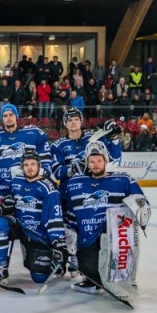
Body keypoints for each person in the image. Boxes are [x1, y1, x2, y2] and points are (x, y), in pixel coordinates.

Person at [64, 141, 150, 295]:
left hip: (115, 240)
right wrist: (70, 234)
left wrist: (142, 209)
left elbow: (141, 202)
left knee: (113, 232)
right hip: (87, 240)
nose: (95, 165)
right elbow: (71, 214)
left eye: (99, 160)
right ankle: (94, 278)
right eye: (91, 161)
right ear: (86, 162)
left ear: (106, 161)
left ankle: (123, 277)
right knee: (90, 273)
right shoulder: (75, 183)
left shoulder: (123, 180)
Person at [51, 108, 123, 275]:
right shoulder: (58, 145)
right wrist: (70, 169)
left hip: (91, 192)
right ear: (65, 123)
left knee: (86, 228)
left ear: (81, 121)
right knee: (67, 230)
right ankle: (65, 259)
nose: (73, 122)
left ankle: (82, 260)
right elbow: (55, 171)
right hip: (68, 194)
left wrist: (114, 138)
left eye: (76, 119)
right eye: (70, 120)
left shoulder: (93, 139)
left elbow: (114, 156)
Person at [0, 150, 66, 285]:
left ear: (39, 166)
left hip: (38, 234)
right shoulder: (16, 181)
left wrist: (58, 242)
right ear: (21, 167)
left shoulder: (48, 188)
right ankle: (1, 267)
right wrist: (6, 206)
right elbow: (9, 202)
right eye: (26, 165)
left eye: (33, 164)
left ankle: (53, 260)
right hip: (20, 226)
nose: (29, 168)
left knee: (39, 278)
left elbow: (54, 218)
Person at [0, 103, 51, 206]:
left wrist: (41, 174)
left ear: (16, 116)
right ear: (1, 119)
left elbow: (45, 162)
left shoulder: (33, 133)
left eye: (11, 114)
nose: (8, 118)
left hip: (27, 191)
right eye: (5, 115)